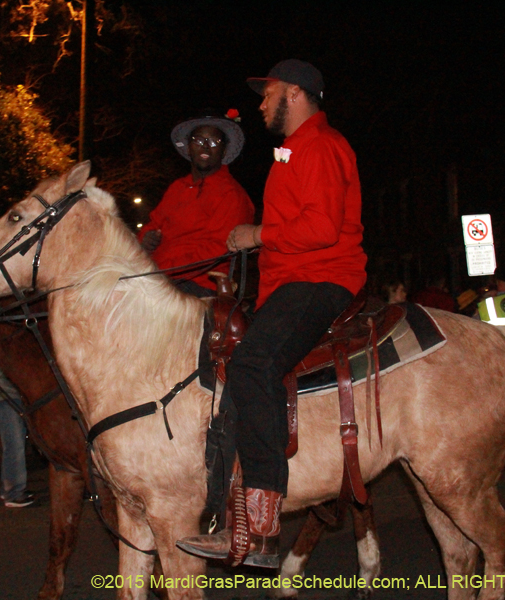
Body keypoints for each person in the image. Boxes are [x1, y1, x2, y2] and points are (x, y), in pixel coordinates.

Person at [177, 59, 367, 567]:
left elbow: (324, 227)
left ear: (297, 94)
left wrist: (255, 234)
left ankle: (261, 529)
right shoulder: (291, 151)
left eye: (269, 93)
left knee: (252, 365)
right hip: (289, 284)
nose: (262, 103)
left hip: (321, 280)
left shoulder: (321, 146)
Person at [138, 109, 254, 297]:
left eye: (214, 142)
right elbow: (153, 223)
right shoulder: (177, 187)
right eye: (199, 141)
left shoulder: (232, 194)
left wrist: (161, 270)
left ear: (224, 150)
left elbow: (215, 252)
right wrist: (146, 238)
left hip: (196, 285)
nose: (206, 147)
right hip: (157, 278)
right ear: (189, 147)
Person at [0, 349, 37, 508]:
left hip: (7, 397)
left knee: (14, 445)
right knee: (15, 446)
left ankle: (10, 488)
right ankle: (13, 492)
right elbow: (0, 374)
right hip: (5, 398)